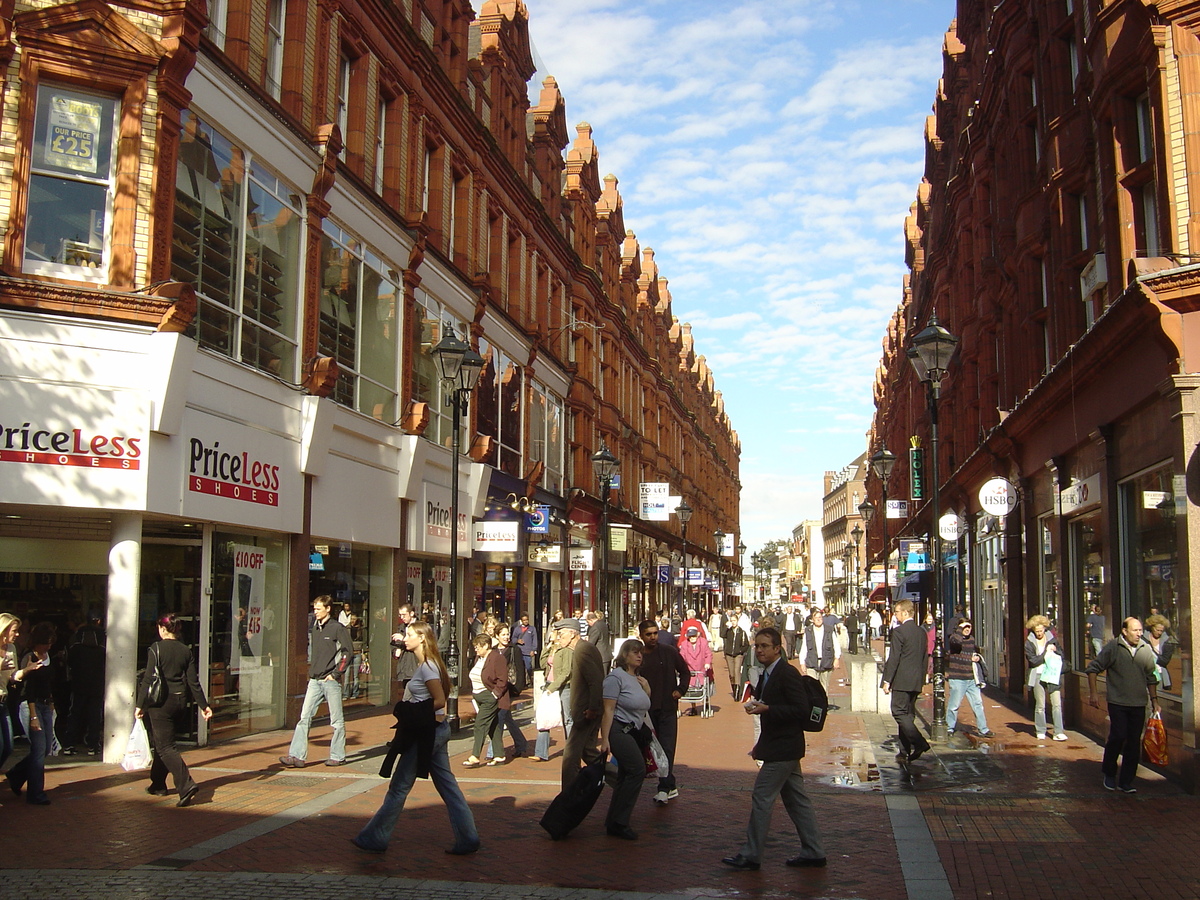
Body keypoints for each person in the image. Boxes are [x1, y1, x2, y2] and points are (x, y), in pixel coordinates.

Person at [352, 621, 479, 855]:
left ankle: (375, 837)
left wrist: (411, 711)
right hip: (435, 731)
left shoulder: (428, 667)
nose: (405, 637)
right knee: (447, 786)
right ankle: (468, 837)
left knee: (399, 786)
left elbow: (440, 701)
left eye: (409, 634)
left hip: (427, 732)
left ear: (422, 638)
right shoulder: (427, 665)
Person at [722, 627, 826, 871]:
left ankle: (751, 854)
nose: (758, 650)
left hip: (784, 748)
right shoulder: (767, 673)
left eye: (764, 646)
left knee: (762, 797)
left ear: (777, 648)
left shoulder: (786, 673)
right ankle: (814, 851)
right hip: (780, 746)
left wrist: (768, 709)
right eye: (756, 646)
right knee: (797, 800)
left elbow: (800, 709)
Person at [133, 614, 213, 807]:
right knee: (164, 742)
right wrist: (204, 705)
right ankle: (158, 784)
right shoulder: (186, 651)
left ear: (162, 629)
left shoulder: (156, 649)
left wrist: (140, 704)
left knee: (165, 746)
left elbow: (149, 679)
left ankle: (186, 785)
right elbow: (193, 682)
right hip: (180, 701)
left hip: (161, 703)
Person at [1087, 617, 1160, 793]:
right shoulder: (1114, 647)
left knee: (1134, 742)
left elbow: (1151, 676)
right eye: (1135, 630)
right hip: (1117, 702)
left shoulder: (1145, 649)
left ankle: (1126, 781)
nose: (1139, 634)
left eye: (1140, 630)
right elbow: (1093, 668)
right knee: (1118, 736)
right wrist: (1094, 693)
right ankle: (1109, 773)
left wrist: (1155, 700)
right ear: (1124, 631)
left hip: (1138, 703)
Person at [279, 595, 353, 768]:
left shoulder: (337, 628)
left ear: (328, 609)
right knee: (304, 717)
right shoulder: (315, 628)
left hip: (330, 681)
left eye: (319, 608)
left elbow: (347, 652)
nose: (316, 611)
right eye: (314, 608)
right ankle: (296, 755)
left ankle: (338, 755)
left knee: (336, 721)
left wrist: (336, 674)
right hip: (315, 680)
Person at [598, 639, 652, 840]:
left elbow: (643, 704)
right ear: (624, 655)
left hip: (634, 732)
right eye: (635, 652)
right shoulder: (615, 678)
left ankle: (614, 821)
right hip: (619, 730)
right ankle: (620, 821)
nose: (639, 656)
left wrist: (647, 688)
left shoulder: (637, 678)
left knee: (625, 774)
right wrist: (605, 740)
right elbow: (608, 709)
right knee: (637, 770)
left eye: (641, 653)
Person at [5, 621, 59, 805]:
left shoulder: (47, 656)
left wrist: (51, 703)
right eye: (46, 643)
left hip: (44, 705)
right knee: (38, 749)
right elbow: (28, 689)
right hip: (30, 706)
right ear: (37, 642)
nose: (48, 647)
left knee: (44, 749)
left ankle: (16, 774)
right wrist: (34, 715)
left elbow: (48, 683)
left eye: (51, 643)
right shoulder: (29, 658)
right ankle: (36, 793)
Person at [637, 619, 690, 804]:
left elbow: (685, 671)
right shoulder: (638, 656)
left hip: (667, 707)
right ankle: (670, 784)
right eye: (648, 634)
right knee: (651, 747)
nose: (653, 637)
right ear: (641, 636)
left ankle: (664, 787)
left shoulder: (668, 652)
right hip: (647, 710)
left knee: (667, 747)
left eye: (655, 633)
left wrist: (680, 690)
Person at [880, 599, 931, 761]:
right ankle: (904, 749)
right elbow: (925, 657)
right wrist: (922, 677)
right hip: (916, 679)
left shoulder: (899, 631)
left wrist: (887, 680)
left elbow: (894, 658)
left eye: (896, 612)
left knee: (898, 711)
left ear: (905, 613)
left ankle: (919, 742)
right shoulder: (921, 632)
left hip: (901, 679)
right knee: (908, 714)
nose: (895, 615)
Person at [559, 619, 604, 789]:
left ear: (572, 634)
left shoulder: (582, 650)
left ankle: (568, 793)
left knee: (570, 756)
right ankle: (618, 778)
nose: (558, 638)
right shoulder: (582, 649)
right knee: (589, 752)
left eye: (561, 634)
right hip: (587, 711)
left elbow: (595, 681)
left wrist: (592, 708)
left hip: (586, 713)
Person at [63, 613, 105, 755]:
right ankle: (93, 745)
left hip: (79, 684)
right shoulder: (103, 645)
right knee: (95, 715)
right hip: (97, 685)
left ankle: (69, 744)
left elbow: (69, 662)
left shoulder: (77, 643)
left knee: (75, 714)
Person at [463, 635, 507, 767]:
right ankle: (499, 756)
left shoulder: (497, 658)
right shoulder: (479, 658)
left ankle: (475, 756)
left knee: (480, 725)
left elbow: (502, 679)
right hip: (478, 698)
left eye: (478, 647)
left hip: (489, 698)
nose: (476, 650)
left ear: (486, 646)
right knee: (493, 726)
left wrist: (494, 695)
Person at [1024, 614, 1067, 741]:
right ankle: (1040, 730)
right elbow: (1033, 661)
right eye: (1036, 631)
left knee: (1057, 703)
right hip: (1038, 674)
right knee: (1040, 704)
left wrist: (1055, 650)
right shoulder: (1029, 642)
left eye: (1041, 630)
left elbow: (1061, 654)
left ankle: (1058, 731)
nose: (1039, 633)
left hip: (1052, 674)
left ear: (1045, 628)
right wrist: (1046, 653)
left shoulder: (1052, 639)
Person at [533, 624, 573, 761]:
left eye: (559, 635)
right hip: (549, 685)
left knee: (567, 719)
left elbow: (566, 672)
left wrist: (553, 687)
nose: (558, 637)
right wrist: (548, 646)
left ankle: (572, 750)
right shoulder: (553, 648)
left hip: (562, 687)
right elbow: (542, 663)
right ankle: (540, 752)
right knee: (545, 718)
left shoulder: (567, 651)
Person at [945, 621, 991, 737]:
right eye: (965, 627)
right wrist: (960, 629)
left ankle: (983, 729)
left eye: (969, 626)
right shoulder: (954, 638)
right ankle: (949, 728)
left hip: (971, 678)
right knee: (954, 705)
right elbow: (957, 643)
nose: (967, 629)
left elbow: (969, 654)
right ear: (959, 627)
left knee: (978, 704)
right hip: (958, 678)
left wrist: (975, 657)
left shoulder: (971, 639)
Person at [797, 609, 842, 690]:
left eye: (820, 617)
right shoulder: (808, 631)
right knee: (812, 688)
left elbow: (836, 645)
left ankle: (823, 702)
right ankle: (813, 703)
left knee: (824, 688)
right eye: (816, 618)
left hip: (826, 661)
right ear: (812, 620)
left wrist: (837, 659)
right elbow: (804, 648)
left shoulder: (829, 630)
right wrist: (802, 663)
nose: (818, 619)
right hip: (811, 662)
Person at [0, 613, 21, 770]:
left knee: (8, 746)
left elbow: (13, 675)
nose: (17, 634)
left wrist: (27, 670)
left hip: (3, 701)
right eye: (14, 631)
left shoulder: (11, 648)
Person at [678, 626, 713, 715]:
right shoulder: (684, 644)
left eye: (694, 636)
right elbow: (681, 657)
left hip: (701, 668)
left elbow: (708, 654)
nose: (692, 638)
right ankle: (693, 707)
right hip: (690, 669)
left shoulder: (703, 642)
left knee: (704, 686)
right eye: (690, 636)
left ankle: (706, 702)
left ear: (697, 635)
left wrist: (707, 663)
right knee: (691, 689)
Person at [722, 608, 750, 699]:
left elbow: (746, 644)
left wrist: (741, 651)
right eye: (732, 621)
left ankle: (737, 693)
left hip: (738, 654)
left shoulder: (741, 632)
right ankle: (734, 689)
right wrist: (726, 627)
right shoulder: (729, 631)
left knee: (737, 671)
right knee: (732, 674)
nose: (733, 622)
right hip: (729, 654)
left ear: (737, 621)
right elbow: (722, 635)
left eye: (734, 621)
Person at [1143, 614, 1176, 689]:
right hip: (1144, 674)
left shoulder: (1167, 641)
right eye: (1157, 630)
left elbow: (1165, 661)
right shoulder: (1143, 639)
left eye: (1162, 631)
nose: (1159, 633)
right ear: (1152, 627)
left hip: (1159, 674)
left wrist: (1152, 654)